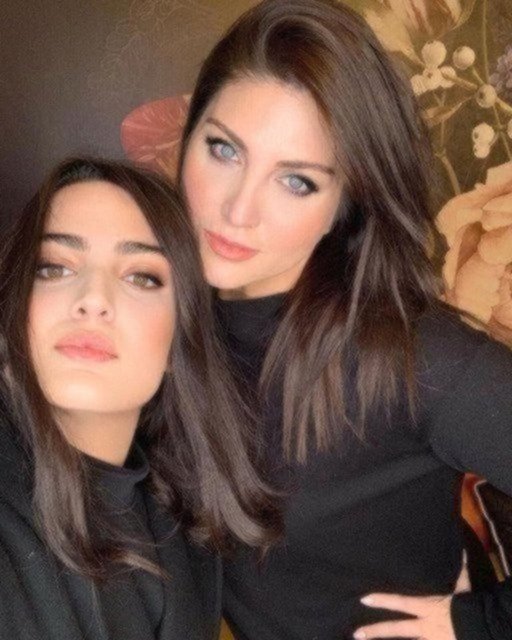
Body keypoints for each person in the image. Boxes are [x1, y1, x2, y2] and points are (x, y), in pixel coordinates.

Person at [177, 1, 512, 638]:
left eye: (296, 181)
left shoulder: (418, 358)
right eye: (224, 149)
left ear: (344, 204)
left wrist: (481, 623)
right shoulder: (153, 317)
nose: (238, 210)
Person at [0, 157, 279, 640]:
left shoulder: (191, 526)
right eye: (55, 268)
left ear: (179, 341)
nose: (93, 299)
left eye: (141, 277)